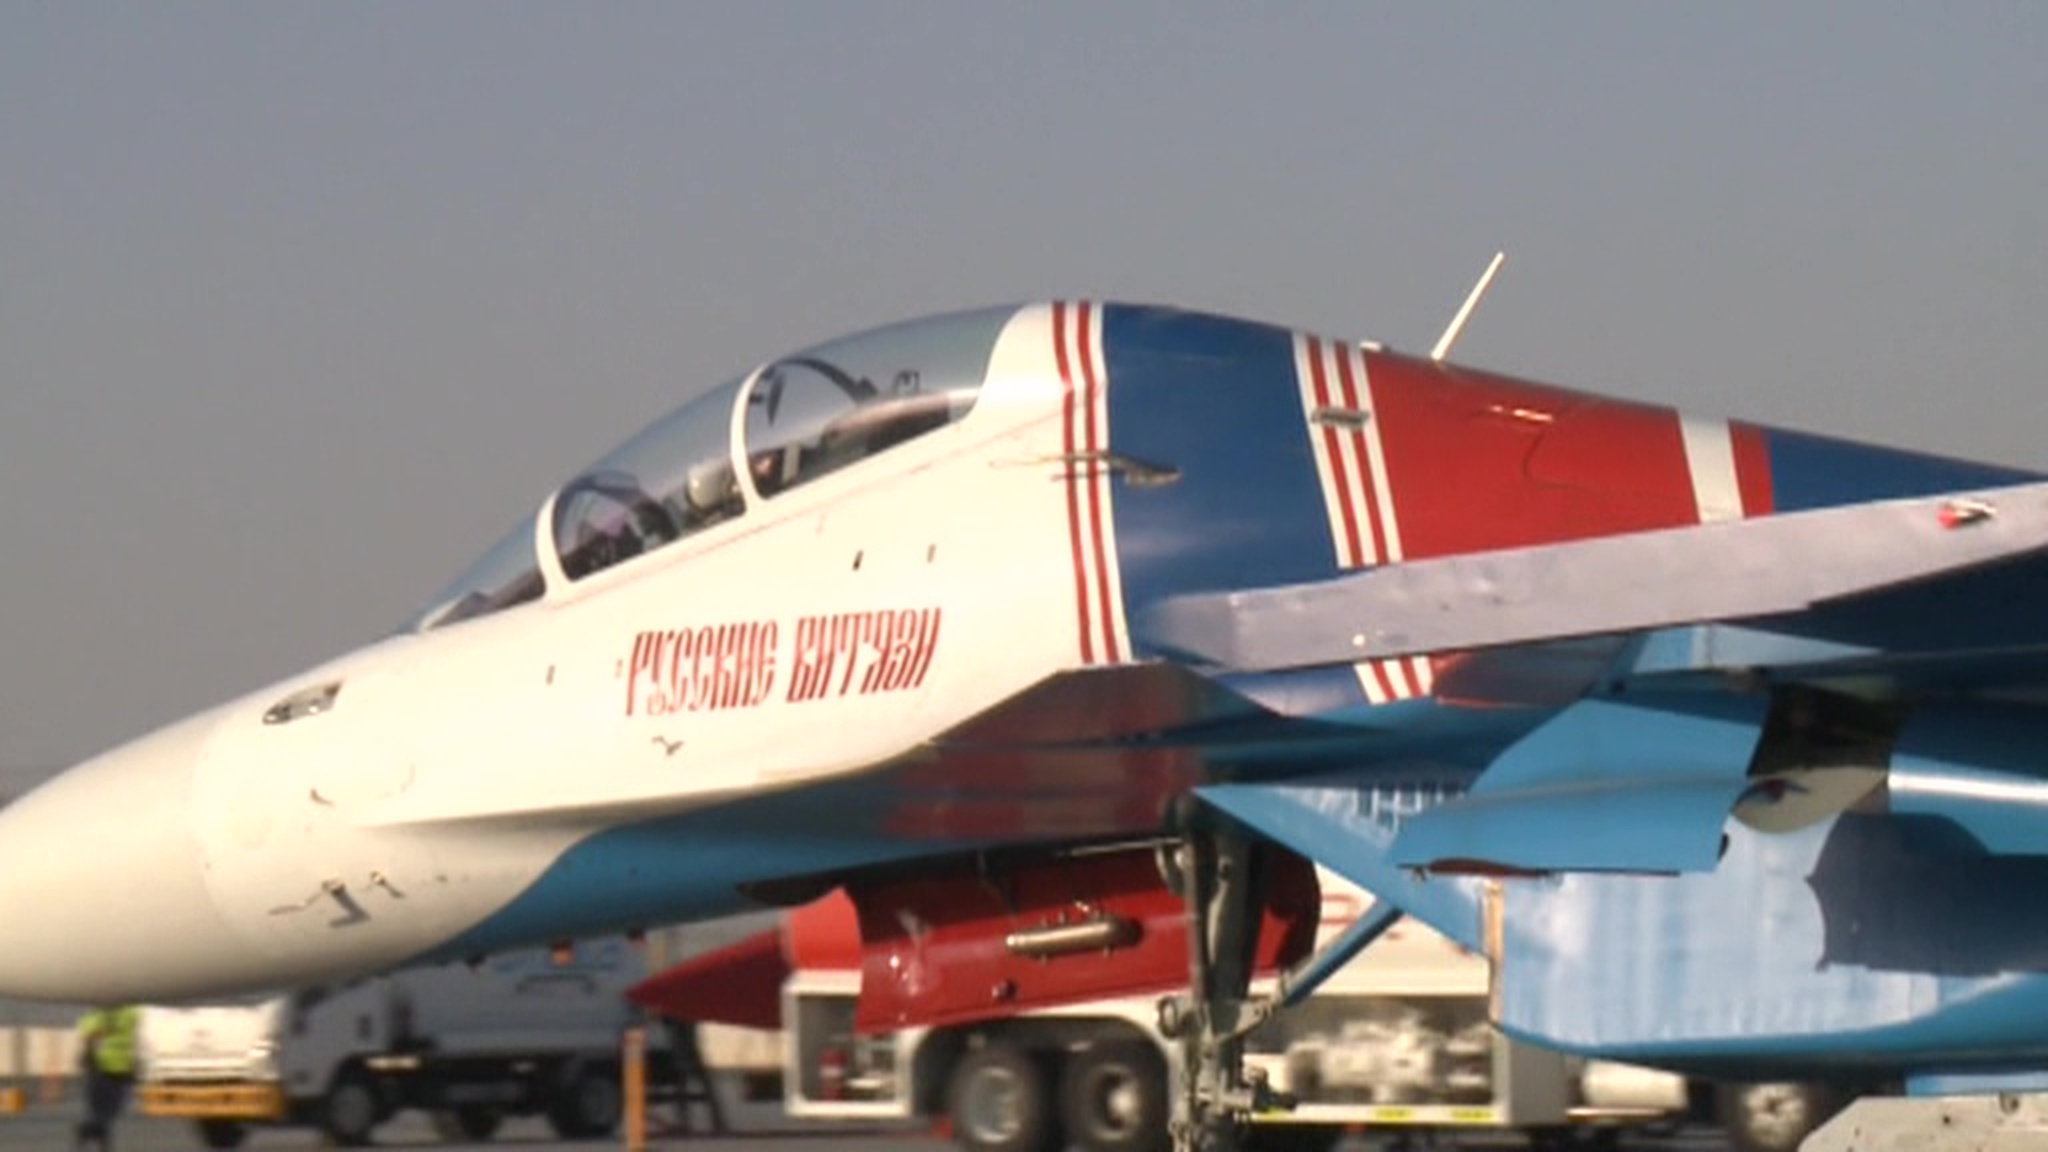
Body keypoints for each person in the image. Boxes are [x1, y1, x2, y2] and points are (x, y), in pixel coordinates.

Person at [74, 1005, 140, 1152]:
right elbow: (89, 1034)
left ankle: (90, 1134)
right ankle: (94, 1137)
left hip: (117, 1068)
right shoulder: (127, 1011)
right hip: (105, 1068)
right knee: (103, 1111)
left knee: (109, 1110)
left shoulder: (121, 1011)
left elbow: (87, 1034)